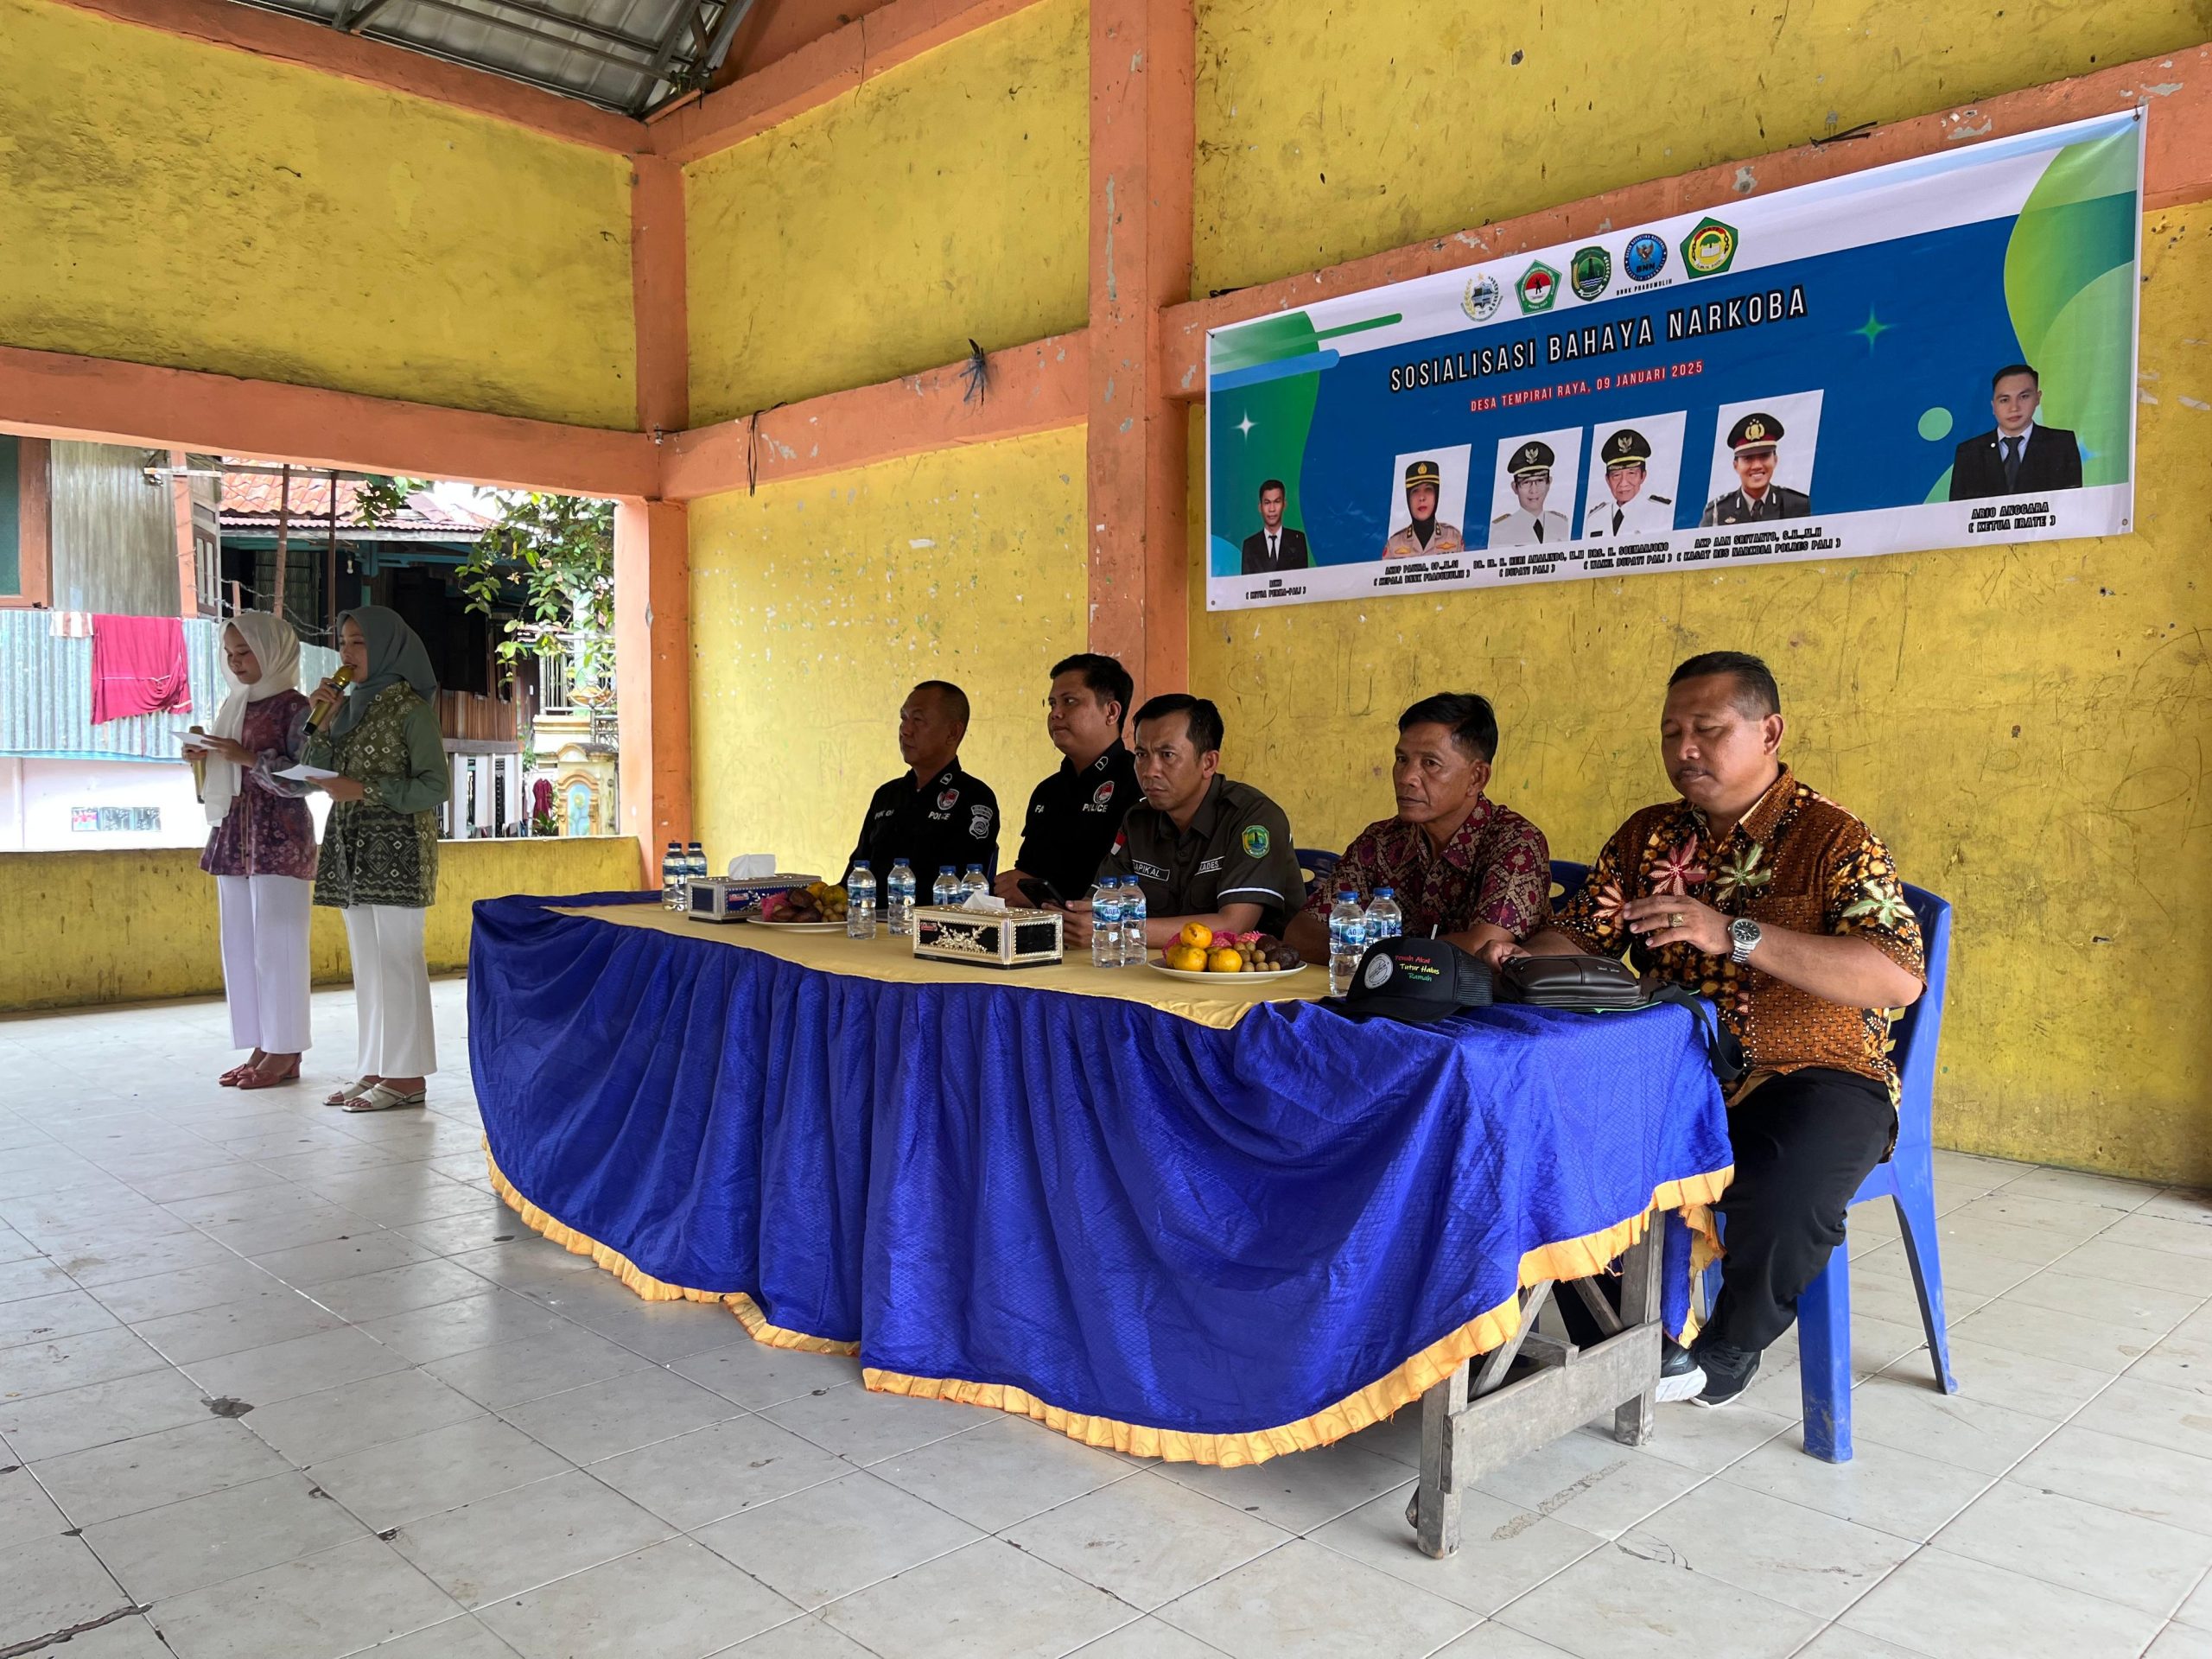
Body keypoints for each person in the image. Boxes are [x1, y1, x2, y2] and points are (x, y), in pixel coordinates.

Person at [1484, 652, 1924, 1407]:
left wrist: (1737, 934)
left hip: (1815, 1069)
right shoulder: (1650, 836)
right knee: (1547, 1138)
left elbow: (1895, 974)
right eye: (1671, 733)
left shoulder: (1833, 839)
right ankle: (1631, 1345)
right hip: (1669, 1067)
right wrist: (1523, 959)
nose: (1685, 750)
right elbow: (1582, 937)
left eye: (1708, 730)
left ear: (1770, 731)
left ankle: (1728, 1347)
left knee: (1789, 1181)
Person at [302, 607, 451, 1114]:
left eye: (359, 643)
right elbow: (314, 772)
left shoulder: (411, 710)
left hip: (399, 848)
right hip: (351, 844)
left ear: (388, 647)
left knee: (398, 961)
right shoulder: (344, 708)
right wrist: (319, 717)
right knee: (366, 963)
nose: (346, 654)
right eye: (343, 643)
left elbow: (436, 786)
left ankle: (407, 1075)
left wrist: (364, 789)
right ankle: (374, 1065)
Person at [1282, 694, 1549, 963]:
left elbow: (1479, 949)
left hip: (1485, 1003)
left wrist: (1372, 954)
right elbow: (1302, 934)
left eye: (1430, 763)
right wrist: (1393, 958)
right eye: (1401, 759)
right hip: (1387, 998)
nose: (1406, 777)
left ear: (1477, 777)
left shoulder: (1516, 843)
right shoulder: (1379, 842)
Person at [1063, 694, 1302, 951]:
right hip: (1161, 970)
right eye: (1142, 754)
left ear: (1208, 763)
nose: (1149, 770)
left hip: (1252, 980)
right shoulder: (1138, 820)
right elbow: (1099, 902)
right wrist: (1075, 919)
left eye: (1167, 755)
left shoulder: (1254, 818)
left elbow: (1233, 925)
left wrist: (1119, 930)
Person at [191, 612, 317, 1090]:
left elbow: (304, 778)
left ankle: (287, 1049)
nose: (237, 662)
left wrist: (247, 759)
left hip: (279, 839)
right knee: (241, 947)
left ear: (273, 651)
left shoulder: (296, 708)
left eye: (246, 652)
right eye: (230, 654)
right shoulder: (236, 703)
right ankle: (264, 1043)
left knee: (278, 947)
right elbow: (219, 783)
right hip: (233, 837)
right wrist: (204, 759)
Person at [994, 653, 1139, 907]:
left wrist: (1038, 895)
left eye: (1069, 702)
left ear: (1111, 712)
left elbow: (1132, 887)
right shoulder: (1047, 791)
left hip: (1105, 938)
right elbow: (1028, 872)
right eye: (1052, 704)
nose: (1055, 714)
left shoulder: (1137, 783)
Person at [850, 680, 1000, 885]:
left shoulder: (974, 797)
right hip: (874, 915)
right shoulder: (886, 796)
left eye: (918, 720)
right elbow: (856, 873)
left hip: (933, 915)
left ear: (953, 732)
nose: (906, 730)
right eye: (903, 718)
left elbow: (967, 886)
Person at [1948, 363, 2082, 499]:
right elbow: (1958, 513)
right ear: (1993, 406)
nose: (2014, 408)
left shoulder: (2061, 444)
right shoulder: (1969, 452)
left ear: (2037, 398)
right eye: (2005, 400)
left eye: (2024, 397)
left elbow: (2071, 506)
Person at [1700, 413, 1811, 524]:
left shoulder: (1798, 506)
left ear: (1775, 460)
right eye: (1748, 458)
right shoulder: (1717, 513)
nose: (1757, 465)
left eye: (1764, 456)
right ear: (1736, 465)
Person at [1582, 428, 1675, 539]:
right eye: (1616, 475)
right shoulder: (1594, 518)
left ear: (1643, 476)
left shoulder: (1661, 512)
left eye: (1631, 473)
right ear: (1607, 480)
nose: (1623, 483)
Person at [1489, 442, 1570, 545]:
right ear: (1515, 487)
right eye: (1526, 482)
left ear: (1549, 483)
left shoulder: (1561, 524)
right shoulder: (1499, 531)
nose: (1534, 490)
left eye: (1540, 480)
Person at [1382, 460, 1465, 557]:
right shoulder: (1394, 545)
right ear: (1408, 498)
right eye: (1415, 491)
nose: (1421, 498)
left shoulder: (1454, 538)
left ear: (1436, 495)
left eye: (1428, 490)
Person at [1241, 480, 1311, 575]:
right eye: (1267, 503)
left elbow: (1302, 581)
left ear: (1284, 505)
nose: (1272, 509)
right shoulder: (1250, 545)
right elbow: (1248, 586)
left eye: (1277, 502)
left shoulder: (1298, 540)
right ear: (1260, 507)